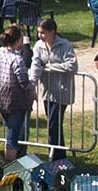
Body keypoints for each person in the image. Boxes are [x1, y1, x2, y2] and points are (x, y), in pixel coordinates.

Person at [30, 17, 77, 160]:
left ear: (52, 32)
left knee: (53, 124)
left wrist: (50, 67)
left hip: (62, 92)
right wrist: (32, 84)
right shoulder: (38, 46)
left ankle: (55, 156)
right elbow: (36, 65)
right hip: (47, 91)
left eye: (43, 32)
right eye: (39, 32)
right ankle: (59, 156)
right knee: (54, 124)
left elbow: (72, 66)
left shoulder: (65, 45)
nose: (40, 35)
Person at [0, 25, 34, 163]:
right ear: (18, 40)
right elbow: (24, 82)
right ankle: (10, 166)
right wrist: (33, 90)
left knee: (11, 131)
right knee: (13, 136)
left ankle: (11, 161)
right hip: (15, 101)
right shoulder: (16, 59)